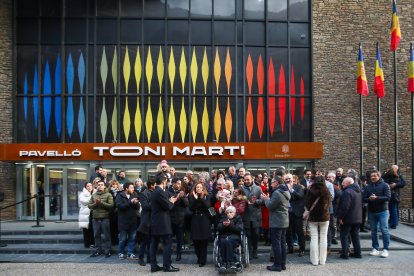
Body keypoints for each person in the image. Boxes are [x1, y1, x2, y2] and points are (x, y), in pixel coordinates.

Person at [149, 173, 179, 273]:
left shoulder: (155, 191)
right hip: (162, 222)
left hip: (156, 221)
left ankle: (154, 266)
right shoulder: (159, 192)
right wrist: (172, 201)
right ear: (163, 181)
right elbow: (168, 207)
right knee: (167, 243)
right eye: (166, 180)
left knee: (154, 244)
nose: (167, 182)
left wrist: (168, 201)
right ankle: (167, 266)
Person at [261, 176, 291, 272]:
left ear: (277, 183)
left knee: (276, 243)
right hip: (284, 220)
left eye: (272, 182)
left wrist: (266, 199)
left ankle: (277, 265)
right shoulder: (285, 191)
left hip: (277, 221)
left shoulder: (277, 193)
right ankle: (282, 264)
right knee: (282, 243)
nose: (271, 184)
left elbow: (270, 206)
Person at [363, 170, 391, 258]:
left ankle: (386, 249)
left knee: (384, 230)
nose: (372, 177)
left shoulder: (385, 185)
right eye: (371, 176)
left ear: (379, 176)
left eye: (374, 176)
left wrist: (376, 198)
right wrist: (370, 199)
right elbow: (364, 199)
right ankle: (375, 248)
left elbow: (388, 197)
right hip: (372, 211)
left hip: (383, 211)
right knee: (373, 231)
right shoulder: (368, 187)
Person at [305, 176, 331, 266]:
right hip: (324, 217)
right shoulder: (326, 191)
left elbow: (307, 203)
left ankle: (314, 261)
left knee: (314, 238)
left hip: (313, 217)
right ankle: (323, 261)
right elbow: (329, 204)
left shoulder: (311, 190)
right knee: (324, 238)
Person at [336, 177, 362, 259]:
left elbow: (345, 207)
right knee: (355, 236)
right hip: (357, 218)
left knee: (344, 235)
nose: (342, 184)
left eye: (343, 183)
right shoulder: (358, 191)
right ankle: (358, 253)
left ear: (348, 183)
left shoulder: (347, 192)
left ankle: (345, 253)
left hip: (347, 218)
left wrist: (340, 217)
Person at [88, 180, 114, 258]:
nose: (100, 186)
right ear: (96, 186)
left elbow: (111, 205)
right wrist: (95, 203)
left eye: (101, 184)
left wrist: (101, 203)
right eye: (98, 185)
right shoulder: (94, 195)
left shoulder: (108, 194)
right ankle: (98, 250)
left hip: (104, 218)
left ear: (104, 186)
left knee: (106, 236)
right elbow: (89, 206)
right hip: (95, 218)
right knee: (96, 235)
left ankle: (108, 251)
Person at [116, 182, 140, 260]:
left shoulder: (135, 195)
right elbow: (120, 206)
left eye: (133, 187)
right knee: (122, 238)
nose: (133, 189)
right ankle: (120, 253)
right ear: (126, 189)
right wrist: (130, 202)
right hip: (123, 221)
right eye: (131, 188)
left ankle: (130, 253)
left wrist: (136, 203)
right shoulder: (120, 195)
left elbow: (137, 207)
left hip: (133, 220)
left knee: (132, 238)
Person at [189, 182, 211, 267]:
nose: (198, 188)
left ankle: (203, 260)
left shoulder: (207, 196)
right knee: (196, 241)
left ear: (203, 188)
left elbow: (208, 207)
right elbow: (191, 208)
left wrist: (200, 199)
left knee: (204, 242)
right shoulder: (192, 197)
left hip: (204, 219)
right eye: (197, 187)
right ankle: (199, 258)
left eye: (200, 187)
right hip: (195, 219)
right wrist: (195, 199)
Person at [242, 173, 263, 259]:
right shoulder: (241, 188)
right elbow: (238, 199)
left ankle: (255, 250)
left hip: (256, 215)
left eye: (248, 179)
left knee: (256, 234)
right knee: (248, 235)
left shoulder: (258, 188)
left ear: (252, 179)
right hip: (246, 215)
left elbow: (262, 200)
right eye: (245, 180)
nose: (246, 181)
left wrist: (256, 202)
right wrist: (243, 200)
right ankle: (249, 252)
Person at [217, 205, 244, 272]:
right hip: (224, 236)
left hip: (235, 237)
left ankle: (227, 262)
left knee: (227, 241)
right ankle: (228, 262)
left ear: (234, 213)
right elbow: (218, 228)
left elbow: (239, 229)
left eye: (231, 212)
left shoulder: (238, 218)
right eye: (227, 213)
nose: (229, 214)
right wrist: (223, 225)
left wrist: (230, 224)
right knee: (224, 241)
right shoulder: (223, 218)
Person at [168, 177, 189, 262]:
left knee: (179, 239)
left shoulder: (182, 192)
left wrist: (183, 196)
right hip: (170, 219)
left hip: (180, 219)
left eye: (180, 184)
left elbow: (187, 204)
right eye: (178, 183)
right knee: (169, 238)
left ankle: (178, 254)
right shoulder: (168, 191)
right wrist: (176, 197)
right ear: (173, 183)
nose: (179, 185)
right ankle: (168, 254)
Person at [285, 173, 306, 257]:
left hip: (297, 213)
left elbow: (300, 196)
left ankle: (302, 249)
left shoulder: (298, 187)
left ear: (293, 179)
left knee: (299, 232)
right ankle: (290, 249)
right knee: (288, 232)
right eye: (286, 179)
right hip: (287, 213)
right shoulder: (283, 188)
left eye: (289, 179)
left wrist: (291, 190)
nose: (288, 180)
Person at [137, 178, 155, 266]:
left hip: (154, 221)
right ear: (151, 185)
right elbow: (145, 206)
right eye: (155, 184)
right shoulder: (143, 194)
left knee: (151, 241)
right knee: (144, 241)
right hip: (146, 221)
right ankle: (140, 258)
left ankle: (149, 258)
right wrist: (156, 203)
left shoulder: (155, 193)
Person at [382, 165, 406, 229]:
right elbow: (382, 180)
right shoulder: (387, 174)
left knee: (393, 209)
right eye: (392, 168)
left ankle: (394, 224)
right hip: (387, 194)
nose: (393, 169)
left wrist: (395, 184)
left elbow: (403, 183)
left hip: (394, 195)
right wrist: (388, 185)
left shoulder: (399, 175)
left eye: (395, 168)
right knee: (389, 209)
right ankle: (391, 222)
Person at [78, 182, 95, 248]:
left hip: (92, 212)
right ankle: (87, 244)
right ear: (85, 187)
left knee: (92, 228)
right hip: (85, 213)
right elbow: (84, 201)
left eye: (90, 185)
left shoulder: (94, 192)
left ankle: (92, 243)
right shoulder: (82, 194)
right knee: (86, 229)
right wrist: (92, 198)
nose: (89, 187)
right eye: (88, 186)